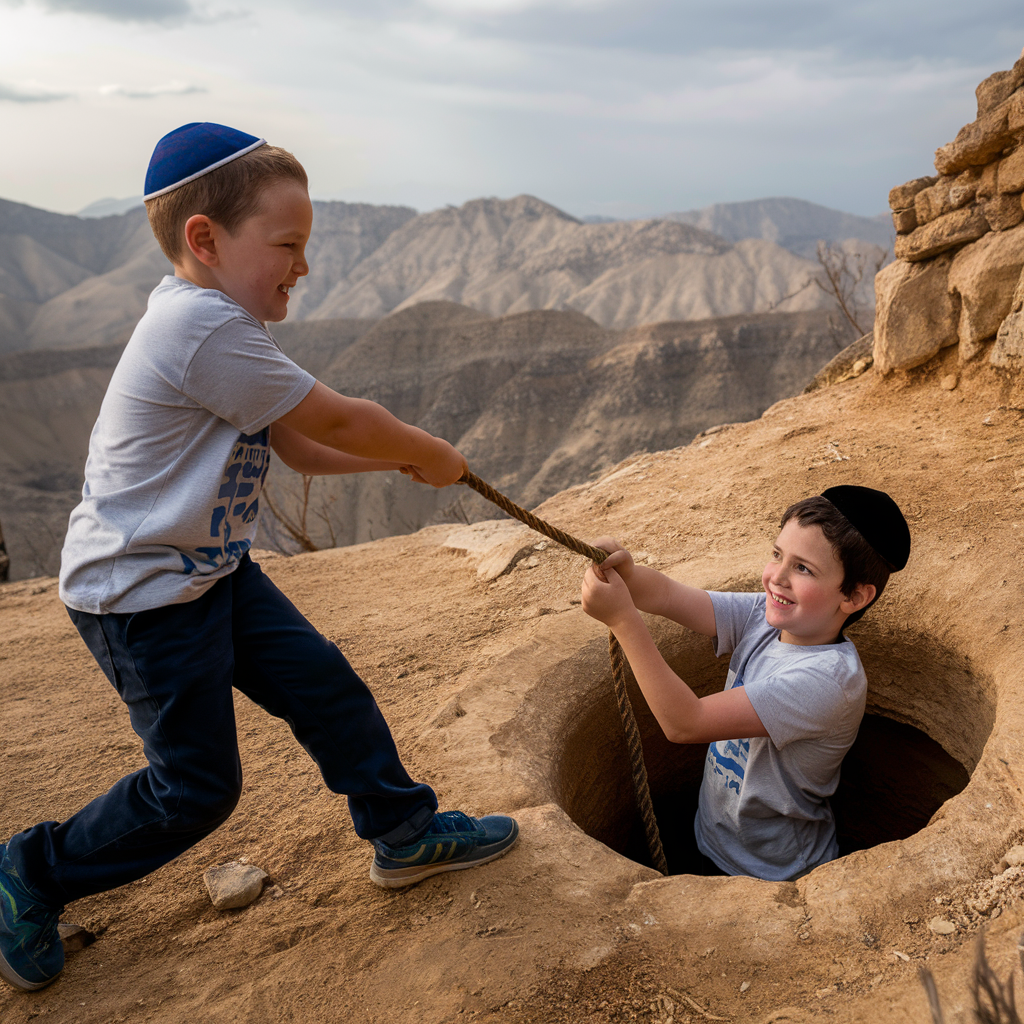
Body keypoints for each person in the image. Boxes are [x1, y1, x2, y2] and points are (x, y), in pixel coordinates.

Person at [0, 122, 518, 994]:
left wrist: (397, 463)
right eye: (287, 244)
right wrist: (423, 445)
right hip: (142, 598)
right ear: (204, 240)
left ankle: (404, 831)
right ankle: (29, 872)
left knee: (323, 685)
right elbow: (340, 418)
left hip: (206, 573)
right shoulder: (200, 329)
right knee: (195, 791)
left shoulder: (221, 327)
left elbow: (307, 448)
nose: (302, 267)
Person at [580, 486, 910, 882]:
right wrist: (626, 572)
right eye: (777, 555)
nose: (777, 578)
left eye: (803, 568)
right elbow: (668, 595)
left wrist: (623, 621)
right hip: (715, 838)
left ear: (855, 596)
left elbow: (685, 722)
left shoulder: (826, 682)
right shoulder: (765, 617)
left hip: (775, 871)